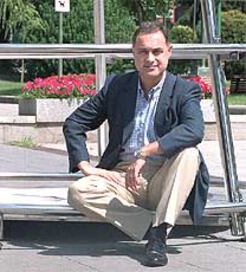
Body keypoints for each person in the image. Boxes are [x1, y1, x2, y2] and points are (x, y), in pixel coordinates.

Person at [63, 22, 209, 267]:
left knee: (190, 154)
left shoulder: (185, 90)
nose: (150, 58)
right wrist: (85, 165)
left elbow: (194, 130)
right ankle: (150, 228)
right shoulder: (118, 86)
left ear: (169, 52)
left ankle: (160, 234)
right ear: (133, 54)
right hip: (122, 179)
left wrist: (148, 150)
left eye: (157, 51)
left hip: (166, 174)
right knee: (78, 191)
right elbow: (74, 123)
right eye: (143, 52)